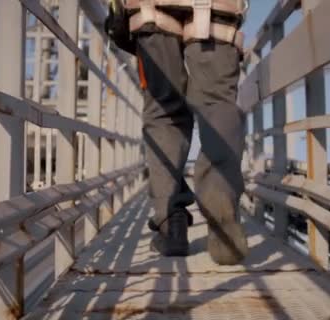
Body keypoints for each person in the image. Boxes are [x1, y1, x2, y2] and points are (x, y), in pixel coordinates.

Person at [106, 0, 249, 265]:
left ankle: (171, 222)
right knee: (218, 103)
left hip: (151, 8)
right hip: (219, 7)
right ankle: (222, 199)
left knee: (165, 112)